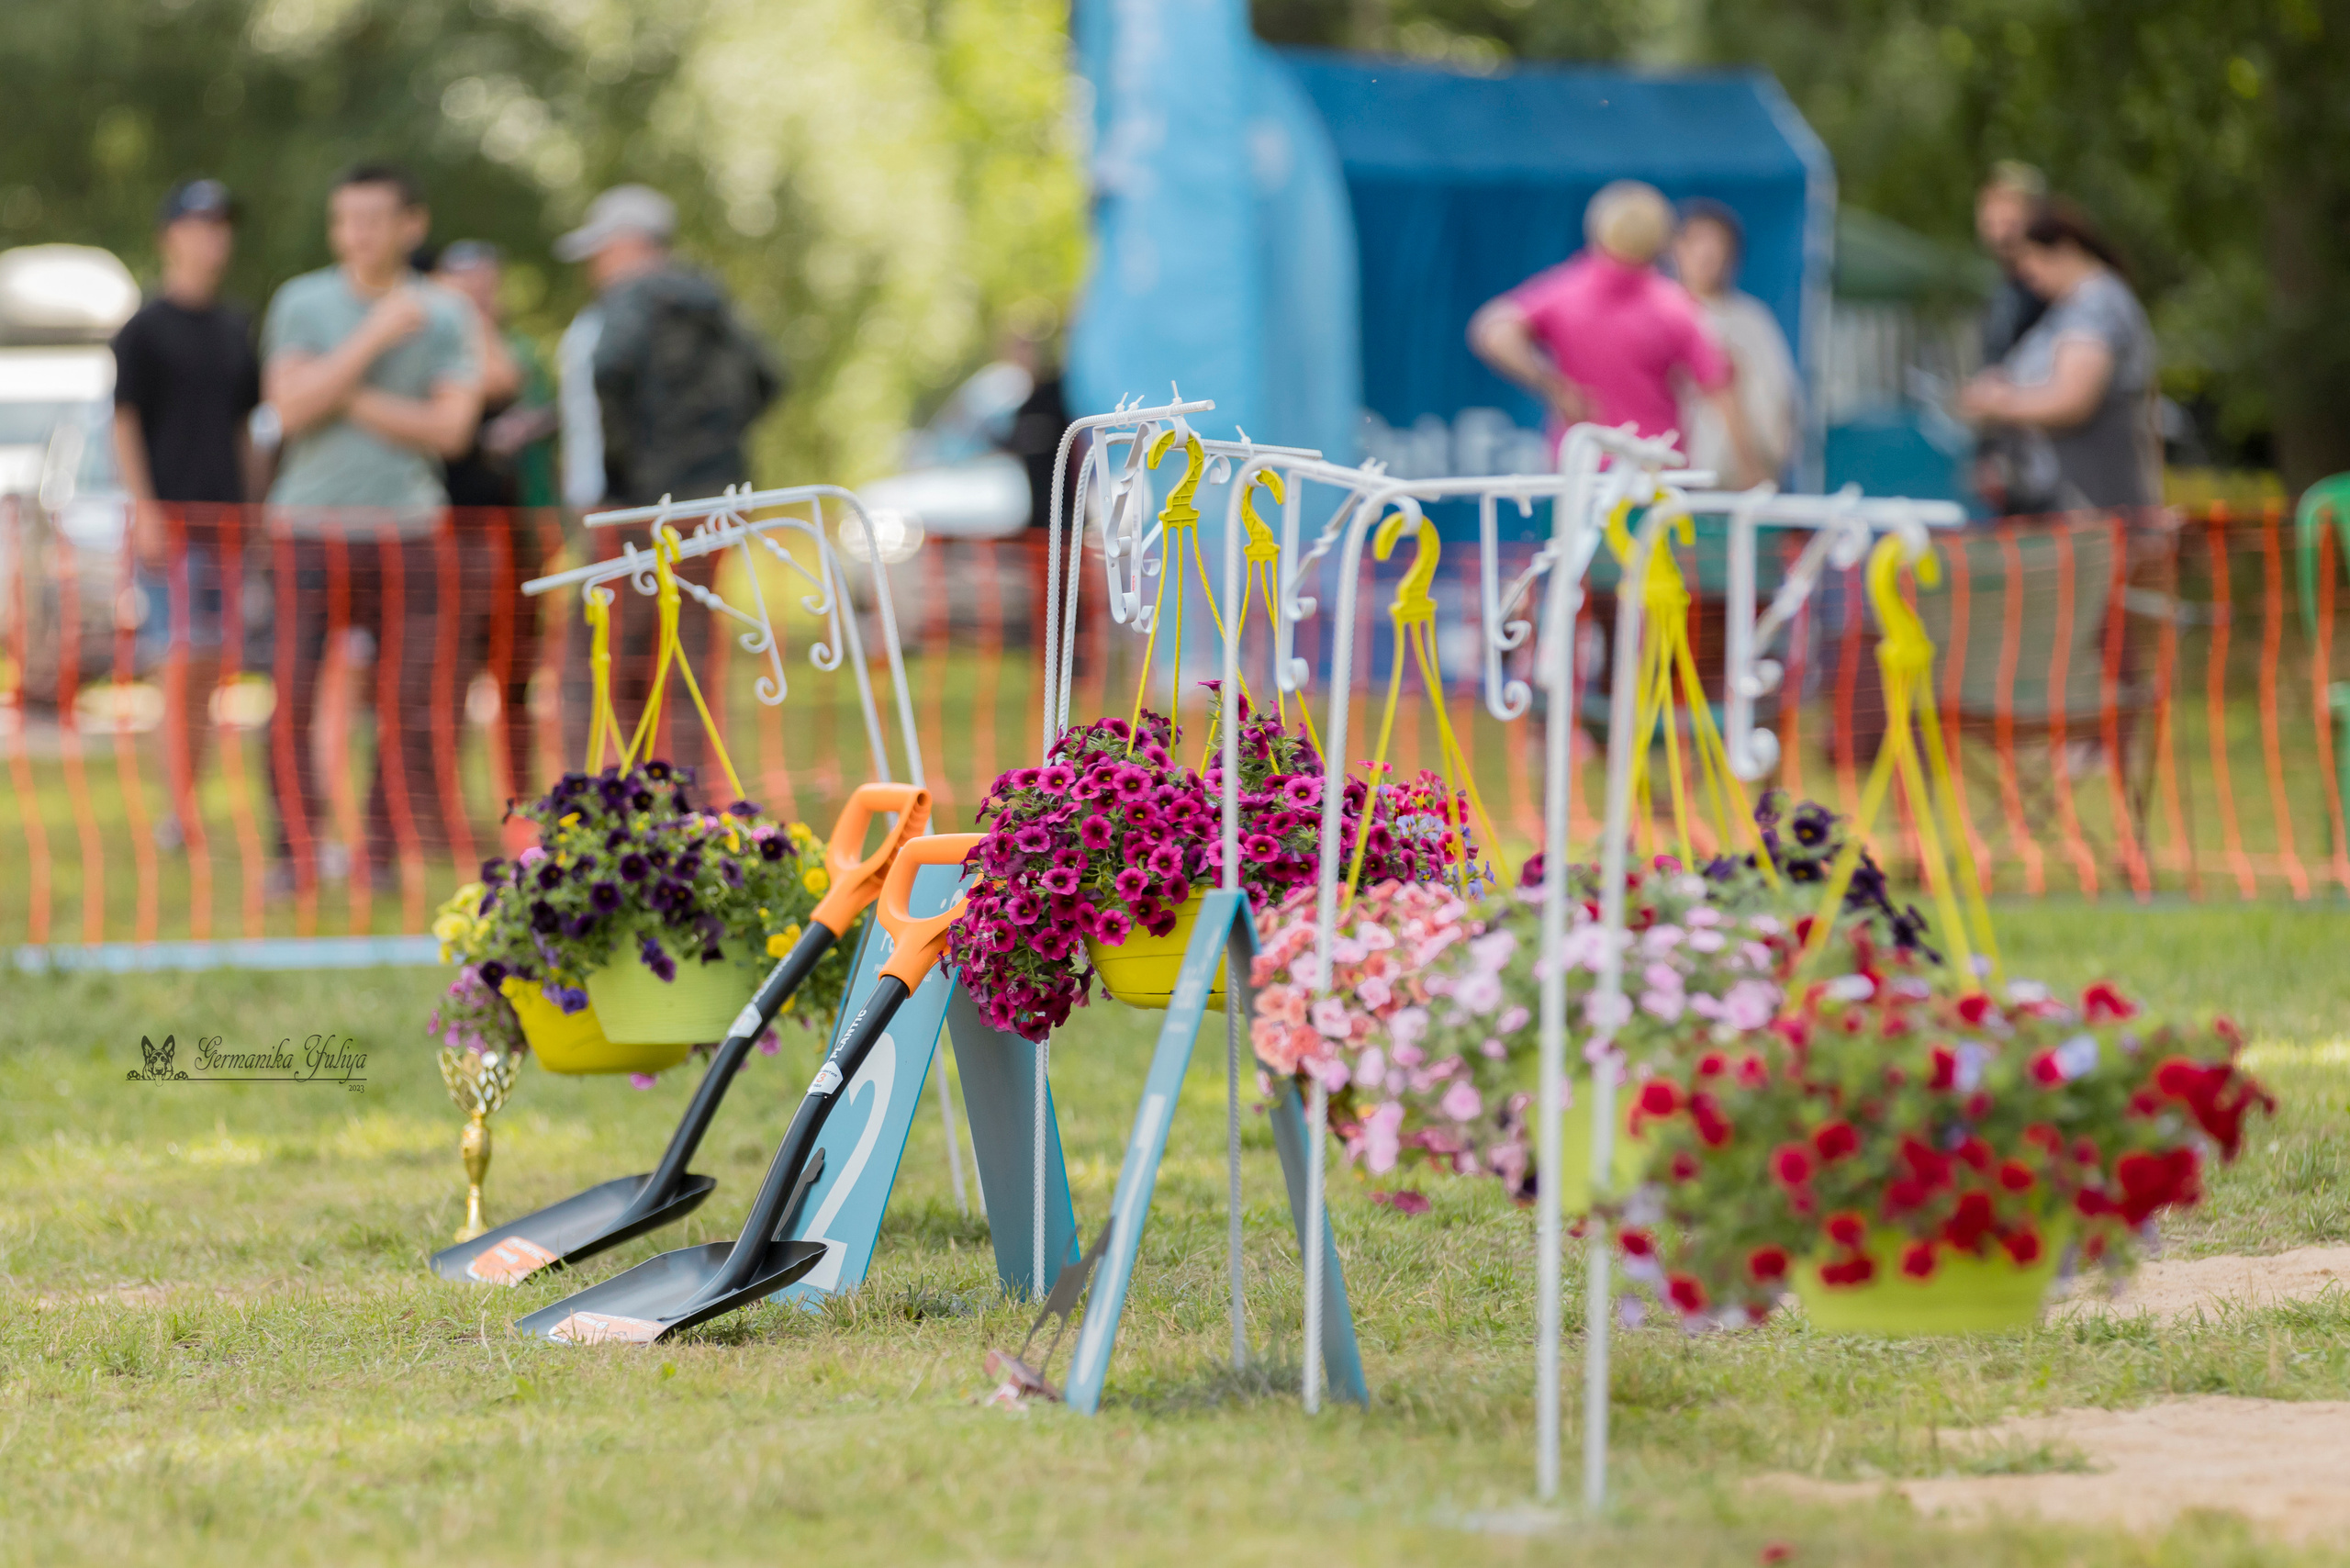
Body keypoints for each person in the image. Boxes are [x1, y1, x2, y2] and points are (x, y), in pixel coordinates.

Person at [260, 162, 481, 890]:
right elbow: (287, 412)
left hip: (410, 530)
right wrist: (376, 339)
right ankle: (294, 853)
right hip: (307, 528)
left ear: (409, 225)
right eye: (345, 219)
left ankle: (379, 854)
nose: (357, 233)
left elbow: (452, 428)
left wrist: (339, 392)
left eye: (373, 219)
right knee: (292, 691)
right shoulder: (302, 301)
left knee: (407, 697)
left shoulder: (445, 312)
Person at [554, 185, 781, 777]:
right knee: (689, 653)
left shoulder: (627, 301)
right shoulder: (713, 303)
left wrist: (623, 475)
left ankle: (599, 792)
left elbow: (608, 370)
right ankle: (688, 793)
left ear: (628, 244)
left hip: (633, 508)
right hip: (713, 501)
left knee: (600, 654)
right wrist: (713, 447)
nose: (593, 267)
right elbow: (768, 378)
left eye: (599, 250)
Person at [110, 177, 263, 850]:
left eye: (221, 224)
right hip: (167, 523)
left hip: (226, 522)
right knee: (178, 658)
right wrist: (144, 510)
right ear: (169, 236)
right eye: (199, 224)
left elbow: (246, 427)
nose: (213, 236)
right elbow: (124, 422)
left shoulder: (236, 328)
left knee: (210, 667)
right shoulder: (143, 329)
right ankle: (175, 811)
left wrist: (256, 508)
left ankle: (187, 803)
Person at [1467, 180, 1746, 465]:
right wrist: (1751, 470)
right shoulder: (1676, 307)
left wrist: (1553, 386)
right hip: (1653, 473)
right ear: (1661, 241)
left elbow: (1493, 332)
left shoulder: (1564, 292)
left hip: (1580, 473)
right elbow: (1720, 390)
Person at [431, 240, 559, 827]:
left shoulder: (518, 349)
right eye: (466, 284)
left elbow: (510, 383)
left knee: (515, 674)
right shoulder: (431, 346)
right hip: (449, 531)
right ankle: (440, 804)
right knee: (447, 674)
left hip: (515, 532)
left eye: (487, 283)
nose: (479, 294)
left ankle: (518, 799)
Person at [1958, 200, 2160, 513]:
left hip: (2098, 511)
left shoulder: (2097, 304)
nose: (2025, 273)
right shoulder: (2073, 306)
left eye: (2030, 259)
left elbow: (2073, 401)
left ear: (2064, 249)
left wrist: (1999, 402)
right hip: (2075, 511)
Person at [1669, 198, 1798, 489]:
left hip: (1744, 479)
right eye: (1698, 243)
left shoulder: (1752, 320)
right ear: (1677, 249)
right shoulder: (1661, 315)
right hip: (1679, 473)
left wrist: (1759, 464)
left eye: (1719, 246)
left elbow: (1778, 397)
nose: (1708, 255)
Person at [1975, 162, 2050, 365]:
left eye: (2009, 222)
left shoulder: (2046, 289)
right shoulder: (2005, 285)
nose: (2000, 234)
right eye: (1992, 220)